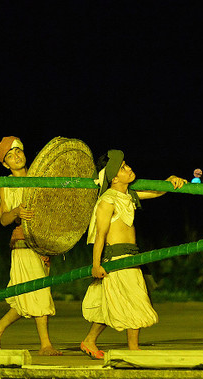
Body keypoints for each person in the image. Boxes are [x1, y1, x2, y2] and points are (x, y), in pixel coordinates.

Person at [79, 149, 186, 359]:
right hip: (116, 258)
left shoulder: (128, 195)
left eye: (127, 164)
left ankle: (90, 341)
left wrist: (169, 181)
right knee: (135, 300)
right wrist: (96, 264)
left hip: (131, 255)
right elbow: (100, 235)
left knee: (111, 303)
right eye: (123, 167)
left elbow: (157, 192)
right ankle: (133, 349)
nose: (129, 168)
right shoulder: (107, 201)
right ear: (114, 177)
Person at [0, 136, 62, 356]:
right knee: (38, 291)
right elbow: (4, 219)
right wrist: (17, 211)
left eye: (18, 151)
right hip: (22, 243)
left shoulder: (39, 179)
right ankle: (45, 344)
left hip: (43, 242)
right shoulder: (6, 184)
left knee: (26, 295)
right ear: (6, 164)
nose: (16, 156)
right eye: (10, 155)